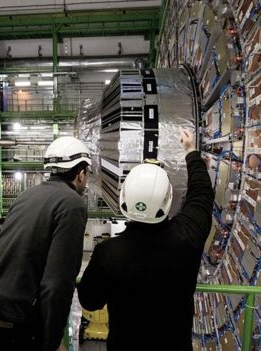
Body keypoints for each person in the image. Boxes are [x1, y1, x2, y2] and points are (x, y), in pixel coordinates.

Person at [77, 129, 214, 351]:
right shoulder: (188, 236)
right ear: (168, 198)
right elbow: (202, 194)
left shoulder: (109, 253)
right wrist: (191, 151)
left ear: (124, 199)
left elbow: (90, 300)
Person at [0, 136, 91, 351]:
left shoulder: (28, 193)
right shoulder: (72, 204)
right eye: (88, 173)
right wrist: (53, 341)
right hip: (12, 313)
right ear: (81, 173)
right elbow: (58, 283)